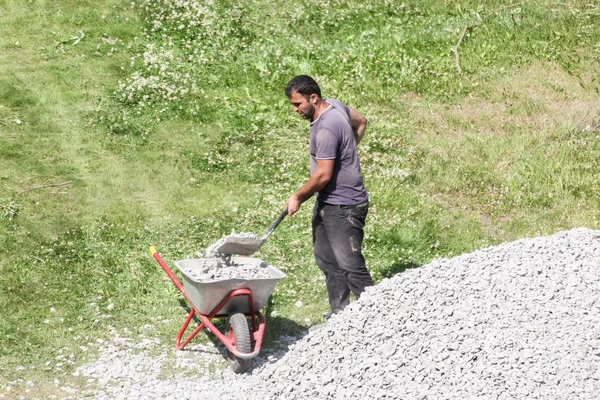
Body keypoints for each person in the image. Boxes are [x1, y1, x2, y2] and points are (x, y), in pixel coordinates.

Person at [284, 75, 374, 316]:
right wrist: (348, 154)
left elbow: (323, 176)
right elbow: (361, 121)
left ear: (313, 98)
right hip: (328, 201)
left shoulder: (325, 129)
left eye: (297, 104)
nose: (295, 110)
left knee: (349, 264)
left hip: (344, 206)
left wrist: (298, 197)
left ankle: (379, 315)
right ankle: (341, 314)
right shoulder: (335, 106)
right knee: (326, 258)